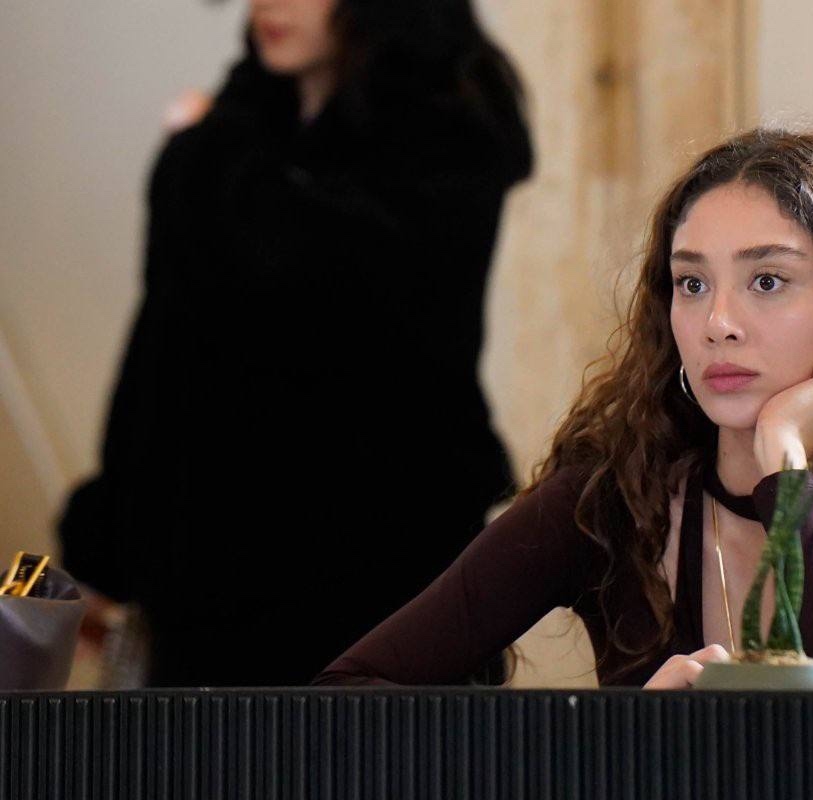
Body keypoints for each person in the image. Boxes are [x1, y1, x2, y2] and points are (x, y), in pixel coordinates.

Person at [315, 128, 813, 689]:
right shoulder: (612, 500)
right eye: (692, 283)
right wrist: (619, 743)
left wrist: (785, 461)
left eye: (767, 280)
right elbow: (345, 694)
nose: (717, 323)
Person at [57, 0, 532, 686]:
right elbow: (163, 350)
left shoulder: (446, 125)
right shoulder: (239, 127)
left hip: (385, 577)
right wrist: (107, 544)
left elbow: (316, 278)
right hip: (211, 584)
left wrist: (206, 151)